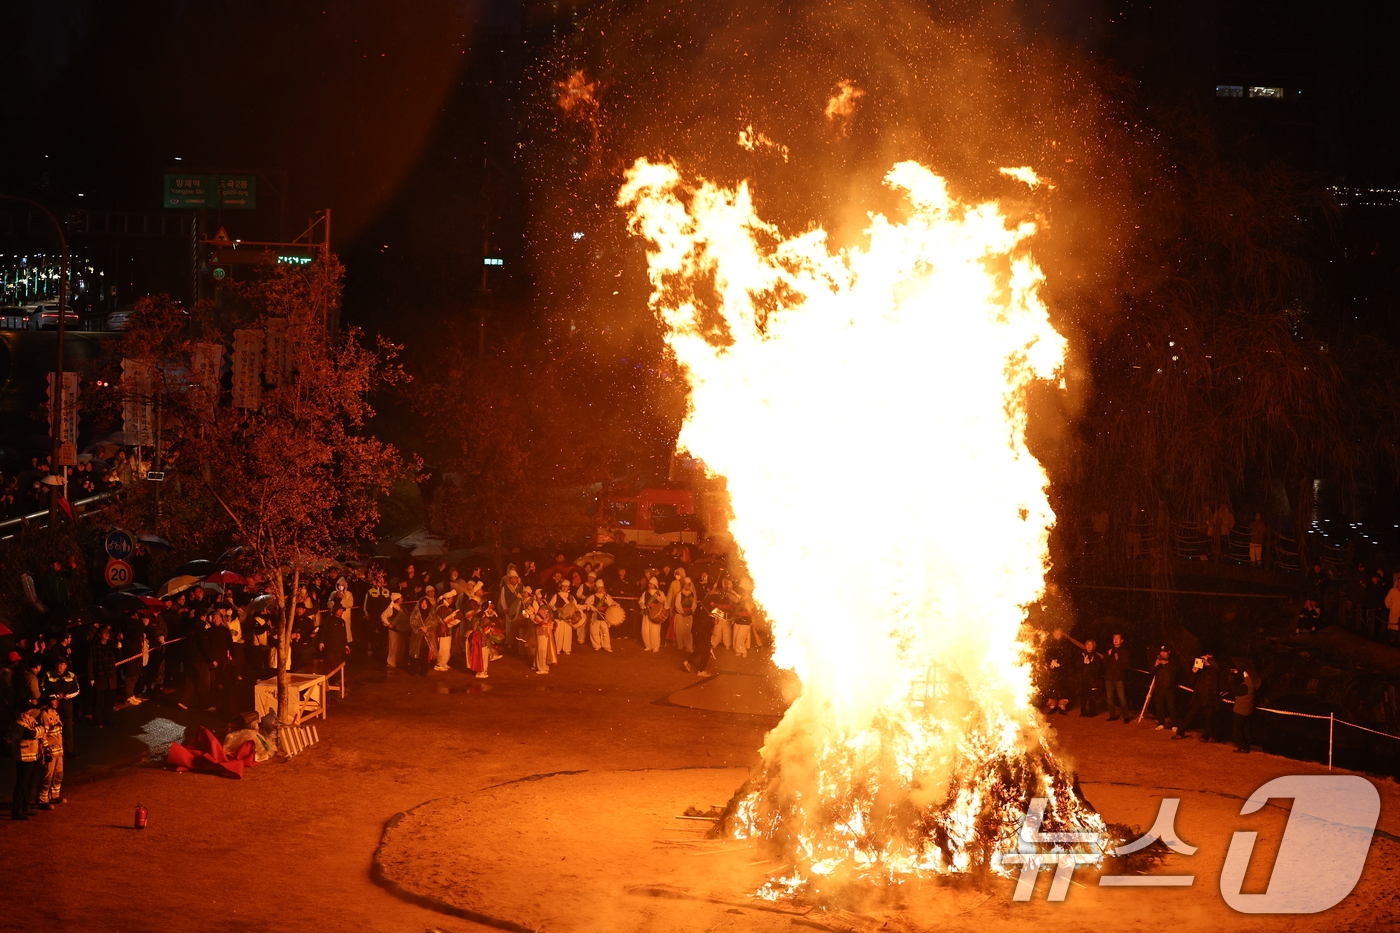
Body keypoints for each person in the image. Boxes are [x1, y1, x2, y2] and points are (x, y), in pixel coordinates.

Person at [1173, 653, 1223, 742]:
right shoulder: (1203, 669)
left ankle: (1206, 736)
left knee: (1209, 718)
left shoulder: (1215, 669)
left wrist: (1209, 659)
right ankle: (1180, 732)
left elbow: (1217, 667)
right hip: (1200, 696)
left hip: (1210, 697)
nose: (1205, 660)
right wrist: (1195, 672)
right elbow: (1192, 681)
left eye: (1207, 658)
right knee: (1190, 714)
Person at [9, 700, 44, 820]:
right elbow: (29, 734)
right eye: (29, 709)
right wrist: (39, 731)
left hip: (33, 755)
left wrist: (38, 731)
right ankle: (17, 810)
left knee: (29, 783)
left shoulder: (29, 720)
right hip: (23, 757)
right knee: (22, 784)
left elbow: (40, 730)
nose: (32, 710)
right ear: (24, 710)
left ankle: (26, 807)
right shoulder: (17, 722)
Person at [40, 659, 80, 758]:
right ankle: (50, 750)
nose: (59, 666)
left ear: (66, 665)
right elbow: (43, 689)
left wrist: (67, 695)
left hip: (66, 705)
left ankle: (68, 751)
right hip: (53, 706)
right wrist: (55, 695)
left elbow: (77, 690)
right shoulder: (48, 674)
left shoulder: (71, 675)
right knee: (51, 729)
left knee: (68, 729)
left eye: (62, 664)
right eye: (57, 664)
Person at [36, 695, 65, 808]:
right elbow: (43, 735)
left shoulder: (55, 713)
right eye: (54, 699)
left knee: (58, 774)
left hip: (58, 749)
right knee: (47, 775)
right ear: (48, 701)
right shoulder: (44, 715)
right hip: (50, 750)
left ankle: (54, 795)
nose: (57, 701)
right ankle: (42, 799)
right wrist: (46, 748)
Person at [87, 627, 120, 725]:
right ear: (99, 635)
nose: (107, 634)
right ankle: (97, 720)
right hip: (100, 677)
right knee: (98, 701)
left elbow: (118, 658)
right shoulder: (94, 647)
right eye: (104, 633)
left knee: (109, 702)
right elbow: (90, 663)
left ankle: (109, 719)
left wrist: (119, 648)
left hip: (111, 677)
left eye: (108, 632)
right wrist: (91, 677)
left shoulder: (111, 646)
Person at [1041, 629, 1074, 715]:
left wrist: (1060, 663)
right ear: (1053, 633)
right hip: (1052, 670)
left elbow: (1069, 655)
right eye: (1056, 632)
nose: (1058, 634)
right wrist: (1050, 662)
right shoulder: (1049, 643)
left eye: (1059, 632)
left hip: (1063, 671)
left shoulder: (1066, 644)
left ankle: (1062, 707)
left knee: (1062, 688)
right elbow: (1045, 654)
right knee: (1052, 688)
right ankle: (1053, 706)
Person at [1231, 666, 1261, 753]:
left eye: (1245, 672)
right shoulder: (1252, 684)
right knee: (1245, 728)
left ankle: (1242, 747)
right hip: (1247, 710)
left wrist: (1231, 680)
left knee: (1236, 729)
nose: (1244, 673)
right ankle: (1246, 745)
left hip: (1241, 711)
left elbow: (1236, 691)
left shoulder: (1245, 685)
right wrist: (1237, 672)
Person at [1102, 634, 1131, 722]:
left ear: (1121, 640)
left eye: (1118, 638)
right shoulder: (1109, 651)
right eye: (1114, 638)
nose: (1116, 640)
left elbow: (1126, 665)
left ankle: (1126, 716)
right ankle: (1112, 715)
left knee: (1121, 697)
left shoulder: (1124, 652)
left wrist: (1118, 659)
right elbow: (1104, 663)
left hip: (1119, 678)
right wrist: (1108, 655)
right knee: (1110, 697)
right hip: (1109, 678)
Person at [1150, 647, 1179, 730]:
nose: (1162, 654)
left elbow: (1176, 669)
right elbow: (1151, 672)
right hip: (1159, 687)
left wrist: (1167, 664)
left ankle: (1174, 725)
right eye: (1161, 652)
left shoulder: (1173, 661)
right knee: (1159, 706)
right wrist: (1155, 665)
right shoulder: (1157, 661)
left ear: (1168, 652)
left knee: (1172, 707)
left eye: (1164, 652)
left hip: (1169, 688)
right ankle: (1160, 723)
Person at [549, 580, 580, 657]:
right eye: (563, 586)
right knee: (559, 633)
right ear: (561, 587)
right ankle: (557, 649)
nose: (564, 588)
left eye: (566, 586)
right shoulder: (557, 595)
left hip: (568, 618)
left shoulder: (571, 597)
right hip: (559, 617)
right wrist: (556, 610)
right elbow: (551, 604)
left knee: (567, 633)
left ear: (569, 587)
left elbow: (575, 606)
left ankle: (567, 649)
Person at [1075, 639, 1104, 717]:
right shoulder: (1082, 655)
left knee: (1092, 697)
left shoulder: (1096, 656)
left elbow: (1098, 669)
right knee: (1083, 697)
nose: (1089, 646)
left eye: (1090, 645)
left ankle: (1092, 712)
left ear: (1093, 646)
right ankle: (1083, 712)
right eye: (1087, 645)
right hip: (1083, 679)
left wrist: (1089, 664)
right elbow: (1077, 666)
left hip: (1092, 680)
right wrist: (1083, 663)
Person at [381, 593, 409, 670]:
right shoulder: (391, 608)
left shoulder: (402, 607)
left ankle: (398, 661)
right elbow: (383, 616)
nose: (402, 599)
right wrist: (388, 624)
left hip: (401, 629)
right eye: (401, 598)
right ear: (397, 599)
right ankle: (391, 662)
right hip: (394, 630)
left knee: (401, 646)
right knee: (394, 647)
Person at [586, 582, 617, 652]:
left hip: (604, 615)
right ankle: (597, 645)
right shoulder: (592, 596)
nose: (600, 589)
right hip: (595, 616)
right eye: (599, 588)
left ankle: (607, 646)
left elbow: (611, 603)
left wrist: (616, 604)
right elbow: (587, 603)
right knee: (594, 631)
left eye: (602, 588)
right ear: (596, 589)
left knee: (605, 631)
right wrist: (591, 607)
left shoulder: (606, 596)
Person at [639, 578, 668, 653]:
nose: (649, 585)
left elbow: (665, 602)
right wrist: (643, 606)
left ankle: (655, 646)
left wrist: (663, 609)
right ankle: (648, 646)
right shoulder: (645, 593)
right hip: (647, 612)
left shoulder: (660, 593)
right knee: (645, 630)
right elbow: (641, 601)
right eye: (649, 583)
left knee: (655, 630)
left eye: (651, 584)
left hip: (656, 614)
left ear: (655, 585)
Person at [672, 577, 699, 653]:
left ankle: (688, 646)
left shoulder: (692, 594)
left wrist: (691, 611)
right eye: (685, 585)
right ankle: (680, 645)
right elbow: (677, 605)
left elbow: (694, 604)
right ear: (683, 585)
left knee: (688, 630)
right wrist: (681, 612)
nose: (686, 587)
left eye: (688, 585)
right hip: (680, 615)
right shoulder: (679, 594)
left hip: (689, 614)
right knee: (679, 630)